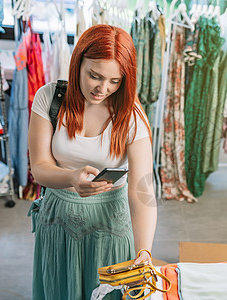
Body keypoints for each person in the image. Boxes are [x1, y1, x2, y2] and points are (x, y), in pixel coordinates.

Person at [28, 24, 157, 299]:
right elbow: (39, 167)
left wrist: (144, 250)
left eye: (115, 81)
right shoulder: (49, 98)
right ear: (78, 64)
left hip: (110, 227)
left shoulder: (131, 115)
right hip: (58, 223)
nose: (102, 88)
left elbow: (142, 189)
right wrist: (71, 178)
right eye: (94, 76)